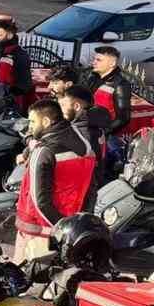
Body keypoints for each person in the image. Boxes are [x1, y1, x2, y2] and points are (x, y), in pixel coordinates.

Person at [14, 98, 98, 262]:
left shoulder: (44, 151)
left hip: (39, 229)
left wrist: (60, 229)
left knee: (25, 276)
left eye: (32, 121)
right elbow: (91, 188)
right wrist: (75, 228)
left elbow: (40, 201)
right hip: (72, 227)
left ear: (45, 121)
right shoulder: (85, 144)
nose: (29, 126)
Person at [59, 82, 109, 181]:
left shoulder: (81, 132)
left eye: (63, 105)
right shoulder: (93, 123)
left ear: (77, 106)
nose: (60, 110)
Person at [0, 21, 34, 110]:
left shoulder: (19, 55)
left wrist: (6, 95)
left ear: (9, 35)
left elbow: (24, 84)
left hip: (4, 105)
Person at [88, 46, 134, 145]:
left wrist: (104, 132)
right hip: (89, 130)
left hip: (106, 138)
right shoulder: (93, 79)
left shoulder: (120, 84)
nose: (94, 62)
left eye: (99, 60)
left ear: (112, 63)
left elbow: (123, 118)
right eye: (94, 59)